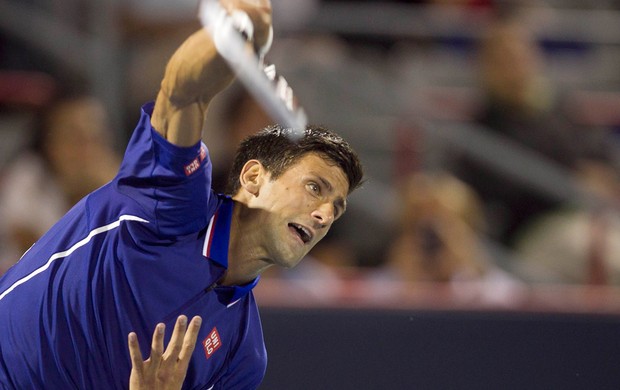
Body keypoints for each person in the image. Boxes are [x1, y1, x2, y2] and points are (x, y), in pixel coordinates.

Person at [0, 1, 364, 389]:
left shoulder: (242, 356)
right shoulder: (172, 200)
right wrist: (223, 40)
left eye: (335, 209)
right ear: (254, 177)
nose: (324, 214)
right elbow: (182, 93)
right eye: (315, 188)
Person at [0, 94, 120, 274]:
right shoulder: (28, 176)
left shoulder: (116, 181)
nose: (85, 149)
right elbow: (32, 251)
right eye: (75, 137)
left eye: (94, 137)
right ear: (51, 143)